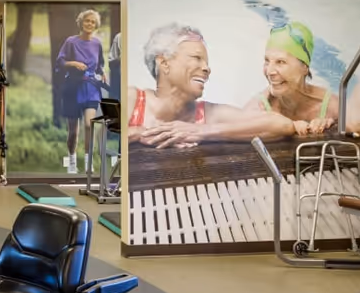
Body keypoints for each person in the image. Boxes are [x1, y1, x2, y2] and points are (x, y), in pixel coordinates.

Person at [128, 23, 296, 149]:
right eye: (196, 57)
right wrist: (138, 132)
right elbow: (104, 137)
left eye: (206, 62)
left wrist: (201, 131)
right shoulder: (132, 100)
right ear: (164, 63)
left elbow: (282, 125)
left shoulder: (209, 115)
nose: (206, 68)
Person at [244, 21, 337, 136]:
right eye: (267, 61)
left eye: (280, 62)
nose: (269, 71)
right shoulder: (257, 110)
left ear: (304, 67)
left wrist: (332, 127)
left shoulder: (332, 106)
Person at [55, 9, 107, 173]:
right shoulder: (71, 42)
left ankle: (88, 161)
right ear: (81, 22)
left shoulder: (97, 43)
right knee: (73, 132)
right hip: (73, 87)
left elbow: (100, 65)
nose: (90, 24)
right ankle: (71, 161)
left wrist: (103, 73)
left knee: (89, 125)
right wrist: (74, 64)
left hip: (91, 88)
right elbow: (60, 62)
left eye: (93, 22)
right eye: (87, 21)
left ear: (96, 25)